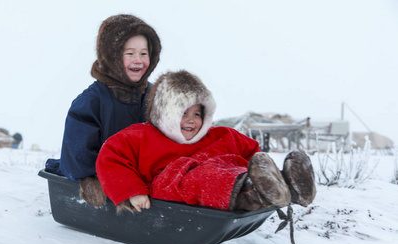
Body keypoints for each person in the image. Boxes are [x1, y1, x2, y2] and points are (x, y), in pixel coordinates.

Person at [96, 70, 316, 213]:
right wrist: (132, 191)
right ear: (166, 113)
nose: (192, 121)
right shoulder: (139, 136)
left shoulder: (220, 135)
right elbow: (110, 158)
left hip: (228, 178)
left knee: (230, 165)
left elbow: (253, 154)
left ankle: (289, 185)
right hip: (171, 185)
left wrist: (264, 168)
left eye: (198, 114)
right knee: (202, 178)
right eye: (183, 113)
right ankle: (256, 192)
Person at [45, 14, 162, 206]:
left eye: (143, 53)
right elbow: (78, 155)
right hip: (106, 175)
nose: (138, 60)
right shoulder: (91, 101)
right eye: (129, 53)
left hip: (142, 177)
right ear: (112, 56)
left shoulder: (153, 96)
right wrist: (109, 181)